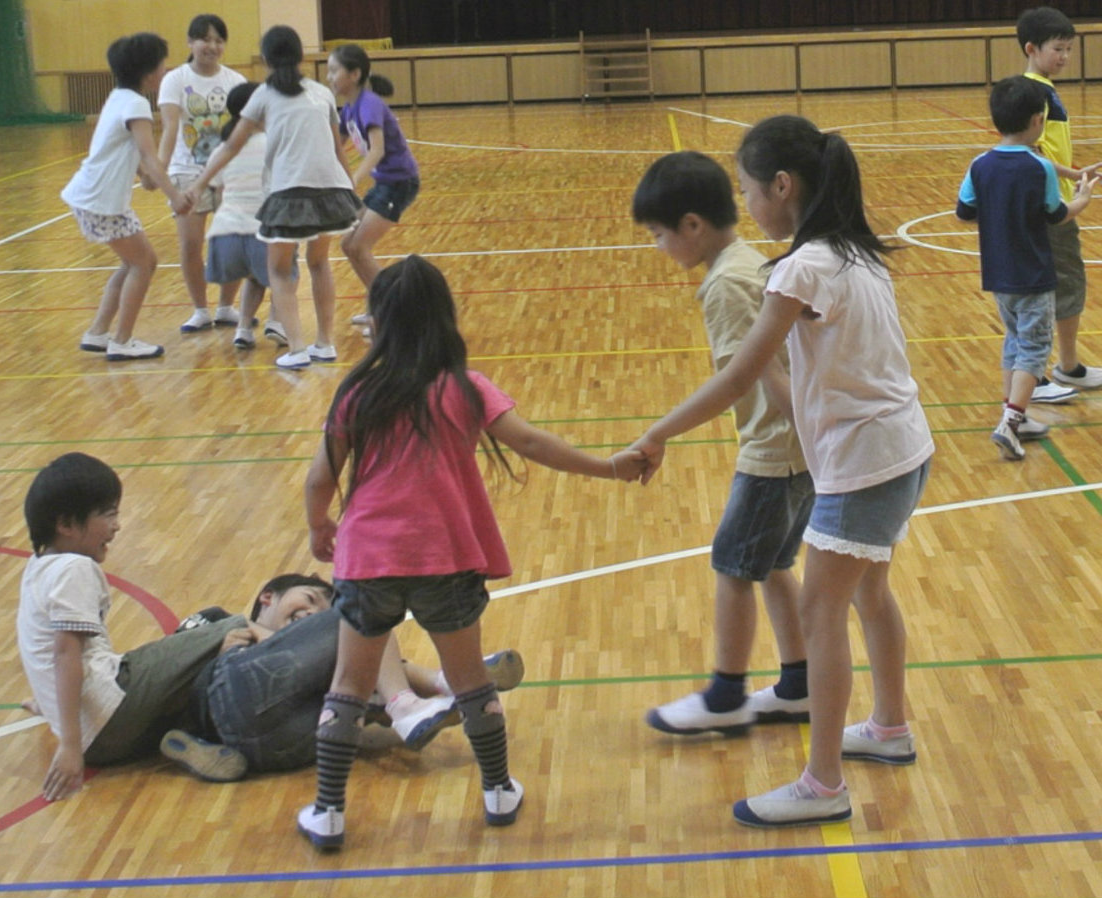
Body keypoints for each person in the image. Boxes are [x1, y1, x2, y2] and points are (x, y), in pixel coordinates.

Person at [628, 116, 935, 830]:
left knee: (821, 611)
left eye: (747, 188)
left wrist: (657, 433)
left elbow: (742, 375)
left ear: (781, 187)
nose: (746, 201)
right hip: (902, 450)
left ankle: (821, 783)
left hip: (864, 465)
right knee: (870, 595)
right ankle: (888, 727)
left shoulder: (800, 267)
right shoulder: (853, 251)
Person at [296, 255, 647, 849]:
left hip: (368, 561)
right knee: (468, 683)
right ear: (443, 320)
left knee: (348, 688)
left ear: (378, 322)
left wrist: (318, 528)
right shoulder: (464, 388)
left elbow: (319, 480)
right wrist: (608, 467)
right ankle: (498, 790)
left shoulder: (357, 394)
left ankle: (328, 811)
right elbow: (532, 442)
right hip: (447, 561)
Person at [630, 151, 814, 735]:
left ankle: (726, 696)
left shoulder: (728, 285)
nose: (658, 247)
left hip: (775, 453)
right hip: (796, 449)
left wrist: (658, 433)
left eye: (660, 235)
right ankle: (798, 686)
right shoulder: (744, 263)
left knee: (733, 566)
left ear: (692, 225)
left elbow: (738, 377)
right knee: (775, 563)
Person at [17, 453, 250, 801]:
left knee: (207, 619)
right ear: (66, 523)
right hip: (110, 714)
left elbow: (44, 648)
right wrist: (68, 746)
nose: (117, 525)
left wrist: (49, 706)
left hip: (100, 741)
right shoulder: (74, 569)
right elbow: (66, 654)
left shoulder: (38, 567)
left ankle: (183, 734)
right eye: (108, 513)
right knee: (236, 627)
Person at [165, 573, 526, 779]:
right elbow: (177, 661)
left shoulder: (312, 655)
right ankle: (446, 688)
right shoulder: (221, 620)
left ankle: (441, 700)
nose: (310, 613)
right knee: (364, 617)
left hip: (274, 748)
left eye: (320, 610)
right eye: (306, 598)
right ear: (267, 597)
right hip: (232, 690)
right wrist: (233, 638)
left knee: (355, 693)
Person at [191, 25, 360, 370]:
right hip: (331, 190)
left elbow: (231, 146)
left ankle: (297, 348)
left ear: (265, 58)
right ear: (300, 56)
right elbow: (336, 145)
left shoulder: (263, 95)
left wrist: (199, 184)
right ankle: (324, 343)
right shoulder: (321, 93)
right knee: (319, 263)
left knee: (278, 269)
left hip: (290, 192)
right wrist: (350, 188)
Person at [957, 78, 1099, 460]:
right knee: (1034, 349)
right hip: (1034, 274)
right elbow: (1057, 215)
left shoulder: (980, 165)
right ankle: (1011, 420)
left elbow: (964, 211)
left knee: (1014, 342)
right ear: (1038, 121)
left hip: (998, 275)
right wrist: (1083, 198)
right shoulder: (1039, 169)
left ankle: (1015, 415)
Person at [61, 33, 194, 363]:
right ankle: (122, 339)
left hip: (94, 197)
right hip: (100, 200)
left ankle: (98, 332)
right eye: (163, 65)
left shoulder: (119, 96)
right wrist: (174, 196)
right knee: (142, 264)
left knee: (139, 262)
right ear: (148, 72)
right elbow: (148, 157)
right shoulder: (136, 104)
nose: (166, 70)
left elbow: (124, 152)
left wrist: (146, 178)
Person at [1016, 7, 1102, 400]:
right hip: (1048, 208)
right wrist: (1071, 182)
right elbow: (1030, 150)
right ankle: (1036, 376)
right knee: (1050, 288)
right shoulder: (1034, 93)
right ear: (1031, 48)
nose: (1064, 57)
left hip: (1054, 198)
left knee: (1063, 285)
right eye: (1057, 49)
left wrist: (1075, 175)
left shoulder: (1044, 89)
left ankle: (1068, 366)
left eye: (1069, 50)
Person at [156, 14, 249, 334]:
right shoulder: (175, 79)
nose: (212, 46)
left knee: (231, 243)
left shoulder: (235, 81)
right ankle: (199, 309)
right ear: (190, 42)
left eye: (218, 41)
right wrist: (159, 170)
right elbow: (169, 129)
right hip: (186, 171)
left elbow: (244, 131)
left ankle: (226, 307)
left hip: (228, 172)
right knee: (191, 243)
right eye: (205, 39)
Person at [326, 44, 421, 328]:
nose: (329, 77)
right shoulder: (349, 108)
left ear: (354, 74)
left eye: (334, 71)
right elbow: (335, 147)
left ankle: (390, 313)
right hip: (384, 183)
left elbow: (377, 151)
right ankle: (378, 307)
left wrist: (351, 182)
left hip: (398, 183)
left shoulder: (369, 104)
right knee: (348, 245)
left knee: (360, 246)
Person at [202, 82, 290, 351]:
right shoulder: (274, 144)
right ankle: (276, 321)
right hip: (262, 230)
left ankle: (242, 329)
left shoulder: (222, 149)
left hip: (224, 234)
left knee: (253, 277)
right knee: (283, 272)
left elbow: (217, 194)